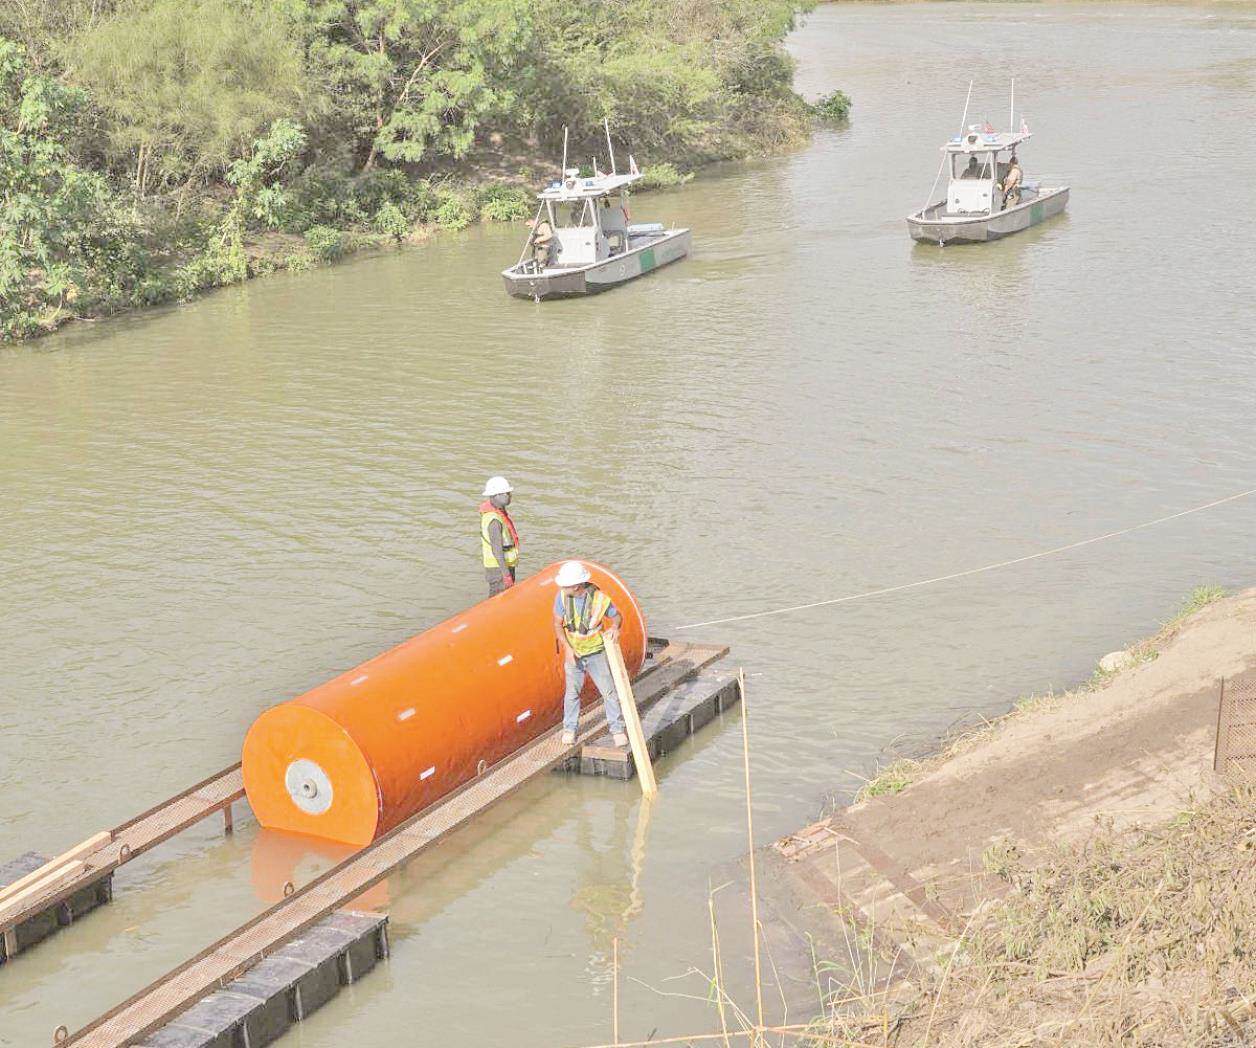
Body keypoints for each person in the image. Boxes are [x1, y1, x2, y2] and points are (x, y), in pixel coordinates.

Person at [553, 560, 628, 748]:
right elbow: (557, 624)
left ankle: (617, 729)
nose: (562, 588)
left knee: (608, 691)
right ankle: (569, 729)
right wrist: (568, 648)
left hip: (596, 653)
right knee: (572, 693)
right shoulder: (561, 598)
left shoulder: (599, 599)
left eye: (566, 585)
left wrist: (615, 628)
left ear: (576, 586)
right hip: (574, 653)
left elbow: (617, 616)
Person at [480, 476, 520, 596]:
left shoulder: (498, 515)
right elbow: (497, 550)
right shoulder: (494, 520)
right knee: (498, 599)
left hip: (504, 567)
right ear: (496, 495)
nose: (510, 496)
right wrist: (506, 575)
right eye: (507, 493)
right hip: (499, 570)